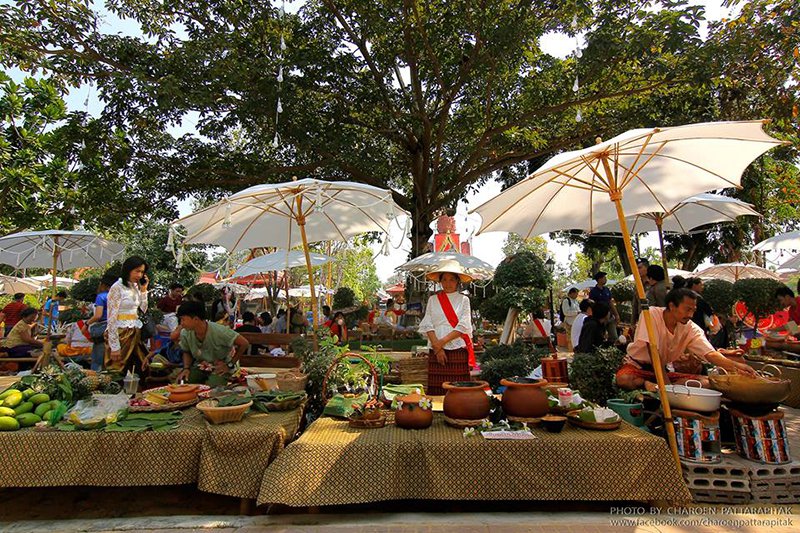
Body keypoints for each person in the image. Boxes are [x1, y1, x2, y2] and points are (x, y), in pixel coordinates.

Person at [616, 288, 758, 392]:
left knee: (708, 383)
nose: (690, 315)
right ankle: (647, 384)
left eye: (693, 311)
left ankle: (659, 386)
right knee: (624, 379)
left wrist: (738, 367)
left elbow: (710, 354)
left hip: (664, 372)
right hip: (638, 368)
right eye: (687, 309)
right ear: (672, 306)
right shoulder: (651, 314)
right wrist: (667, 388)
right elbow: (653, 352)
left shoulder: (690, 328)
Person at [418, 260, 474, 395]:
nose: (448, 283)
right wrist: (437, 348)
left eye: (451, 280)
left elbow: (463, 325)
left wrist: (440, 344)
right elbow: (427, 323)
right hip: (436, 349)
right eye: (444, 280)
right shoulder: (433, 300)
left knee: (459, 388)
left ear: (457, 281)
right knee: (437, 387)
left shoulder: (464, 300)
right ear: (440, 281)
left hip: (457, 348)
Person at [175, 300, 249, 387]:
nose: (181, 323)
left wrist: (229, 365)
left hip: (220, 367)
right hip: (200, 366)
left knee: (213, 388)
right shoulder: (185, 333)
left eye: (183, 319)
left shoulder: (219, 331)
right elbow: (186, 351)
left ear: (196, 319)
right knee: (184, 384)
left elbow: (244, 343)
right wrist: (186, 368)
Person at [105, 256, 151, 374]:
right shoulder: (117, 287)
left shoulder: (135, 287)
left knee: (140, 368)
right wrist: (114, 346)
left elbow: (143, 309)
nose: (139, 275)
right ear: (128, 270)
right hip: (121, 332)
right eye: (137, 271)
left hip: (135, 330)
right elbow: (111, 318)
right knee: (117, 370)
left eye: (142, 272)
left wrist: (144, 290)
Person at [85, 273, 116, 371]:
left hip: (103, 330)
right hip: (117, 329)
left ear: (103, 285)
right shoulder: (117, 297)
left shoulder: (101, 296)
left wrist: (86, 324)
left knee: (98, 360)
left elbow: (98, 315)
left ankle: (97, 376)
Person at [588, 271, 619, 341]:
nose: (606, 279)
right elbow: (591, 305)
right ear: (599, 279)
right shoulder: (593, 292)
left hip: (609, 316)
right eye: (604, 278)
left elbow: (610, 302)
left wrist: (616, 315)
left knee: (614, 337)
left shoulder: (607, 290)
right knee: (601, 337)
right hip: (600, 319)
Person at [632, 258, 649, 325]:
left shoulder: (654, 284)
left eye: (639, 268)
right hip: (641, 319)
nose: (637, 270)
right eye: (636, 268)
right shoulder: (637, 285)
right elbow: (635, 305)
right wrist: (632, 323)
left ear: (647, 268)